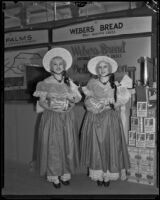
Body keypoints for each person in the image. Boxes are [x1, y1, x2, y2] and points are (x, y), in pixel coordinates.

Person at [33, 47, 82, 188]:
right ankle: (54, 175)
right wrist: (51, 107)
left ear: (64, 66)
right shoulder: (44, 83)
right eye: (55, 64)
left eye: (61, 64)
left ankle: (65, 174)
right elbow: (42, 102)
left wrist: (70, 104)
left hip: (67, 118)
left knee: (68, 144)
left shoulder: (69, 82)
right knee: (53, 145)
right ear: (50, 67)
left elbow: (76, 99)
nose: (58, 66)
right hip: (52, 117)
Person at [80, 56, 131, 187]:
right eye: (100, 67)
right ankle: (98, 174)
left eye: (105, 66)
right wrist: (96, 105)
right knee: (96, 146)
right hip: (95, 118)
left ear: (110, 69)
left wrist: (111, 104)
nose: (102, 69)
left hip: (110, 120)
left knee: (111, 145)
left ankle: (107, 175)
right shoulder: (91, 83)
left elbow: (121, 101)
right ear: (97, 70)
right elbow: (87, 101)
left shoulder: (116, 85)